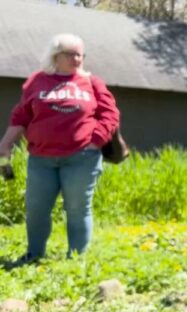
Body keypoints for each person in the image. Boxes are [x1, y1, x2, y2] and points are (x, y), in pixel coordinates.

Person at [0, 33, 119, 265]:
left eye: (80, 54)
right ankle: (34, 254)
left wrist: (96, 140)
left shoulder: (92, 83)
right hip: (41, 158)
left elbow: (109, 114)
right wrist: (5, 143)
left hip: (81, 157)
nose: (77, 59)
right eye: (71, 54)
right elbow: (21, 115)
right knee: (36, 208)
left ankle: (76, 259)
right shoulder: (37, 81)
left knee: (77, 208)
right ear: (56, 55)